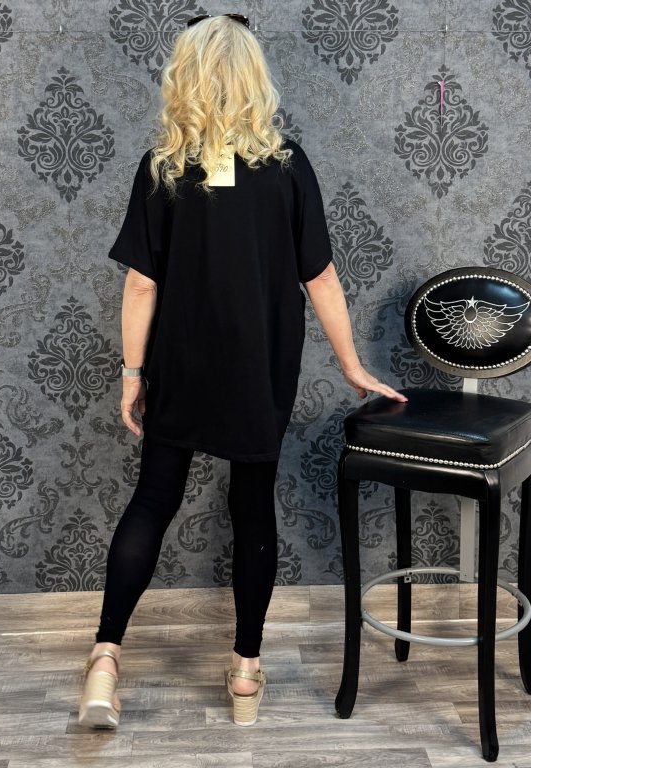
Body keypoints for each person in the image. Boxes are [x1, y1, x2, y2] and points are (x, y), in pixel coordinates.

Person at [78, 13, 408, 729]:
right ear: (253, 79)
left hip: (182, 361)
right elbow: (322, 278)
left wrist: (132, 374)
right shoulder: (288, 166)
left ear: (186, 79)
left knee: (152, 500)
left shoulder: (163, 168)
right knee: (252, 506)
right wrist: (353, 366)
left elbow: (141, 284)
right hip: (260, 365)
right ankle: (246, 675)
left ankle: (104, 661)